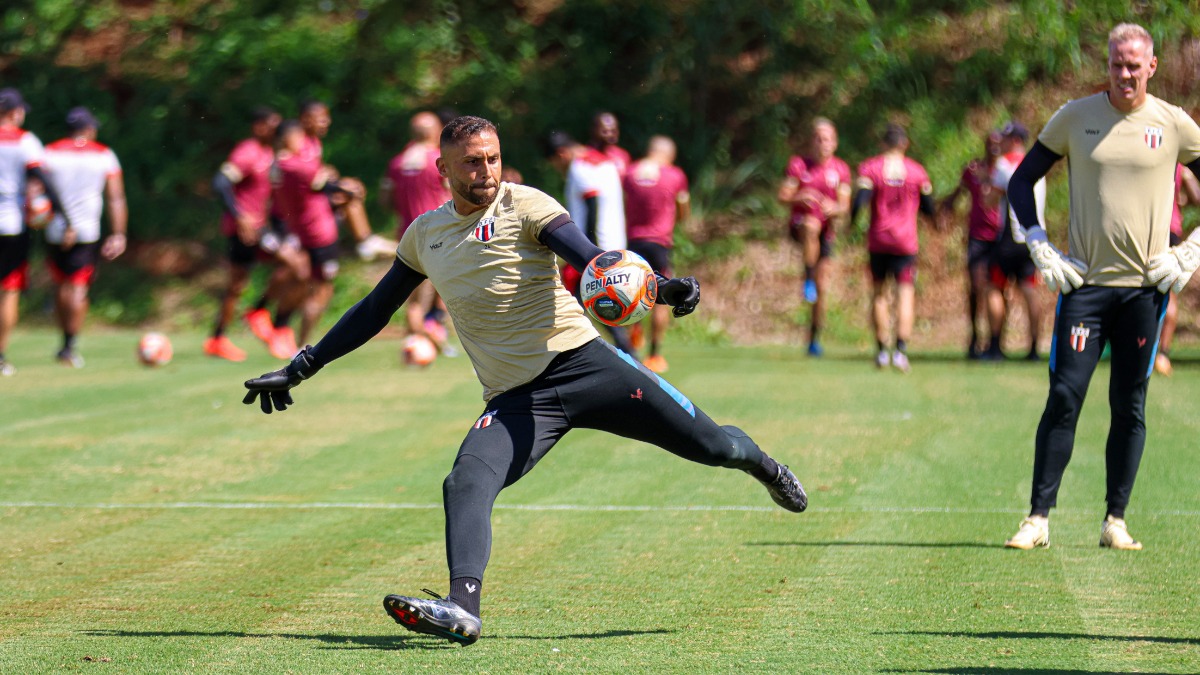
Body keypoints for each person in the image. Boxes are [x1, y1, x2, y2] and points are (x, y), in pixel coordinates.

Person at [242, 116, 808, 646]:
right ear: (443, 168)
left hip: (589, 366)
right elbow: (373, 311)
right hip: (518, 399)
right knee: (464, 481)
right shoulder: (425, 235)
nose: (484, 172)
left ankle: (766, 466)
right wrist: (300, 366)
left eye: (491, 159)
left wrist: (661, 288)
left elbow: (593, 263)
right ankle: (463, 609)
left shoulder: (526, 203)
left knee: (715, 447)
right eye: (470, 162)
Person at [1003, 23, 1200, 551]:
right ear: (1107, 65)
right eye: (1117, 63)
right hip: (1085, 287)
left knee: (1129, 403)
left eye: (1134, 64)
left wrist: (1192, 250)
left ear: (1151, 67)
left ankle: (1115, 520)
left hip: (1143, 292)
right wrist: (1040, 244)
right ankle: (1037, 519)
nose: (1125, 73)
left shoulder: (1174, 124)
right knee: (1065, 397)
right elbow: (1023, 180)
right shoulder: (1076, 117)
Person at [206, 106, 302, 362]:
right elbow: (220, 182)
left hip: (262, 228)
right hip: (244, 229)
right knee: (237, 285)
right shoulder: (247, 152)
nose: (277, 130)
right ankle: (220, 337)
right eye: (272, 125)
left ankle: (256, 313)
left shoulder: (270, 154)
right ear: (259, 126)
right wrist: (240, 216)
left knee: (293, 264)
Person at [40, 107, 128, 367]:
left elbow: (37, 190)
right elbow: (116, 197)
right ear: (89, 129)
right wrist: (119, 233)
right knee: (78, 286)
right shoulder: (103, 155)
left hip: (55, 230)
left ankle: (64, 340)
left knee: (61, 284)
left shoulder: (50, 152)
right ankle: (70, 344)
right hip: (87, 230)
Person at [851, 123, 935, 373]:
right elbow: (929, 208)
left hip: (878, 240)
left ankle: (881, 352)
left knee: (878, 294)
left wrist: (851, 222)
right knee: (905, 294)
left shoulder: (871, 168)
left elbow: (859, 202)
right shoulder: (917, 171)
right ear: (905, 144)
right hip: (906, 242)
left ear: (883, 143)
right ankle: (900, 351)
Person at [545, 129, 637, 357]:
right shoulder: (603, 162)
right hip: (613, 244)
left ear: (561, 154)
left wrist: (585, 253)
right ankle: (626, 354)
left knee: (572, 305)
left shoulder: (580, 167)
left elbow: (593, 204)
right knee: (592, 306)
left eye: (556, 163)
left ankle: (626, 355)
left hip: (596, 247)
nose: (559, 169)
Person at [0, 87, 69, 376]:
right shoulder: (25, 141)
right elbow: (41, 176)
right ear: (15, 113)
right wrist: (62, 214)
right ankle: (0, 355)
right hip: (11, 223)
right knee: (9, 289)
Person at [380, 111, 456, 357]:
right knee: (423, 298)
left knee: (421, 294)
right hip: (436, 235)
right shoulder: (439, 160)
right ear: (435, 132)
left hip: (407, 235)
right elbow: (453, 196)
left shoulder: (397, 163)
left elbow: (385, 200)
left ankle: (422, 340)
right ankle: (424, 343)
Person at [777, 118, 852, 356]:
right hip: (801, 227)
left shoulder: (840, 169)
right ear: (812, 141)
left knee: (823, 289)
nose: (823, 143)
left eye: (827, 138)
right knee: (810, 225)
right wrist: (799, 197)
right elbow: (783, 196)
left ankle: (813, 339)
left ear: (835, 142)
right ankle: (807, 277)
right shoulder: (799, 165)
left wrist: (834, 207)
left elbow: (844, 206)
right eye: (818, 138)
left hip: (826, 232)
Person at [623, 135, 690, 373]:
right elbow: (683, 208)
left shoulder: (630, 173)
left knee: (631, 292)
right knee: (660, 298)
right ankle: (654, 355)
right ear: (669, 155)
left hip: (633, 241)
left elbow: (624, 203)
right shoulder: (674, 175)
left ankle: (633, 338)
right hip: (659, 243)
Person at [985, 121, 1047, 361]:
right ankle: (1033, 347)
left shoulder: (1003, 164)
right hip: (1034, 238)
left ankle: (995, 346)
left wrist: (985, 183)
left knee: (994, 287)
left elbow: (990, 199)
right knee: (1030, 289)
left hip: (1010, 237)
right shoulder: (1038, 162)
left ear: (1014, 140)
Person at [939, 130, 1002, 359]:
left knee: (998, 290)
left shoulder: (1005, 171)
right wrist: (945, 208)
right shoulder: (974, 169)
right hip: (978, 237)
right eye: (990, 144)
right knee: (976, 287)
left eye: (997, 144)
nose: (994, 148)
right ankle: (975, 336)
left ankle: (996, 342)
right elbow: (958, 193)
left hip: (1000, 236)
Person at [1154, 164, 1200, 376]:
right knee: (1169, 292)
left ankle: (1147, 350)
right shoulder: (1181, 158)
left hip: (1149, 228)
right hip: (1171, 228)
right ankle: (1163, 354)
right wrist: (1184, 199)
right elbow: (1197, 197)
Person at [588, 111, 631, 177]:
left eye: (613, 131)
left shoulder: (622, 155)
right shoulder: (585, 157)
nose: (610, 134)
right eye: (605, 131)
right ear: (594, 131)